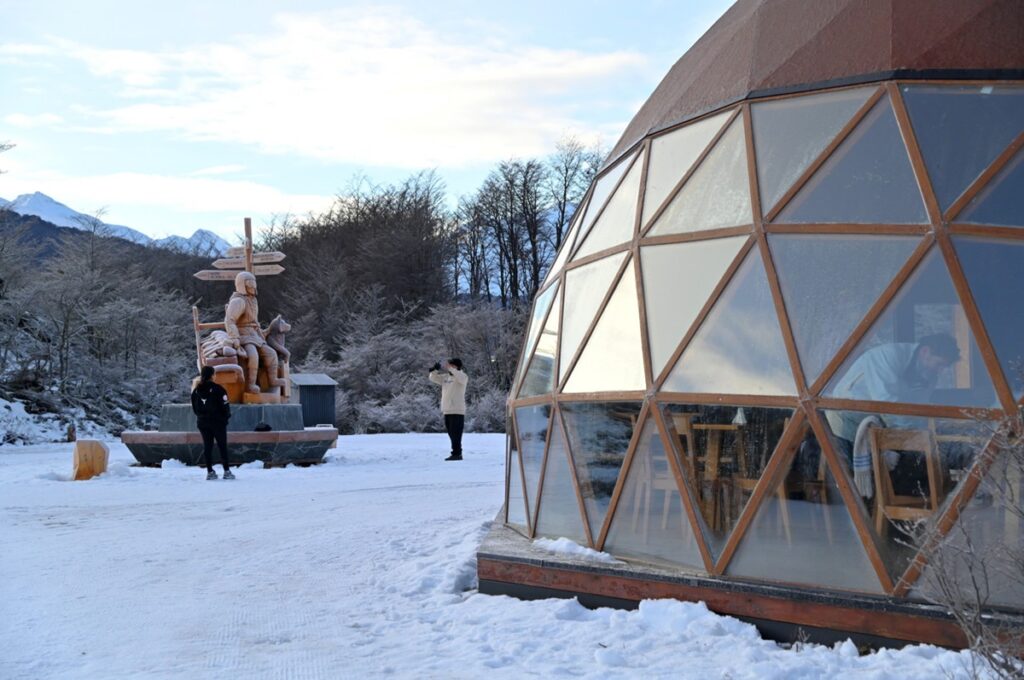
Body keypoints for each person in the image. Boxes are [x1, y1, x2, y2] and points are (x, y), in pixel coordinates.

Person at [825, 334, 960, 497]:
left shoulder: (928, 374)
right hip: (847, 417)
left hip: (883, 423)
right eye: (939, 364)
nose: (941, 371)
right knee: (858, 484)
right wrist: (910, 437)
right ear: (925, 352)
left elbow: (918, 410)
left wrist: (923, 433)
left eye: (944, 367)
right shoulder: (886, 356)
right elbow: (886, 403)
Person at [190, 365, 235, 480]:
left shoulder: (195, 391)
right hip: (218, 422)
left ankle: (210, 471)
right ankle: (226, 471)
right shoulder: (219, 389)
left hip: (203, 423)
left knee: (207, 446)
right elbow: (226, 407)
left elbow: (195, 409)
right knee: (222, 446)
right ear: (212, 375)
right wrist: (225, 418)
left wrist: (202, 417)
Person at [428, 358, 468, 461]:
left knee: (456, 434)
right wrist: (434, 370)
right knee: (451, 433)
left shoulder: (462, 376)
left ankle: (457, 454)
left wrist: (453, 369)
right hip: (447, 409)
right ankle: (455, 452)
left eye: (451, 365)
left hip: (457, 410)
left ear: (456, 366)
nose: (448, 367)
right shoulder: (446, 378)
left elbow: (460, 376)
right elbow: (433, 378)